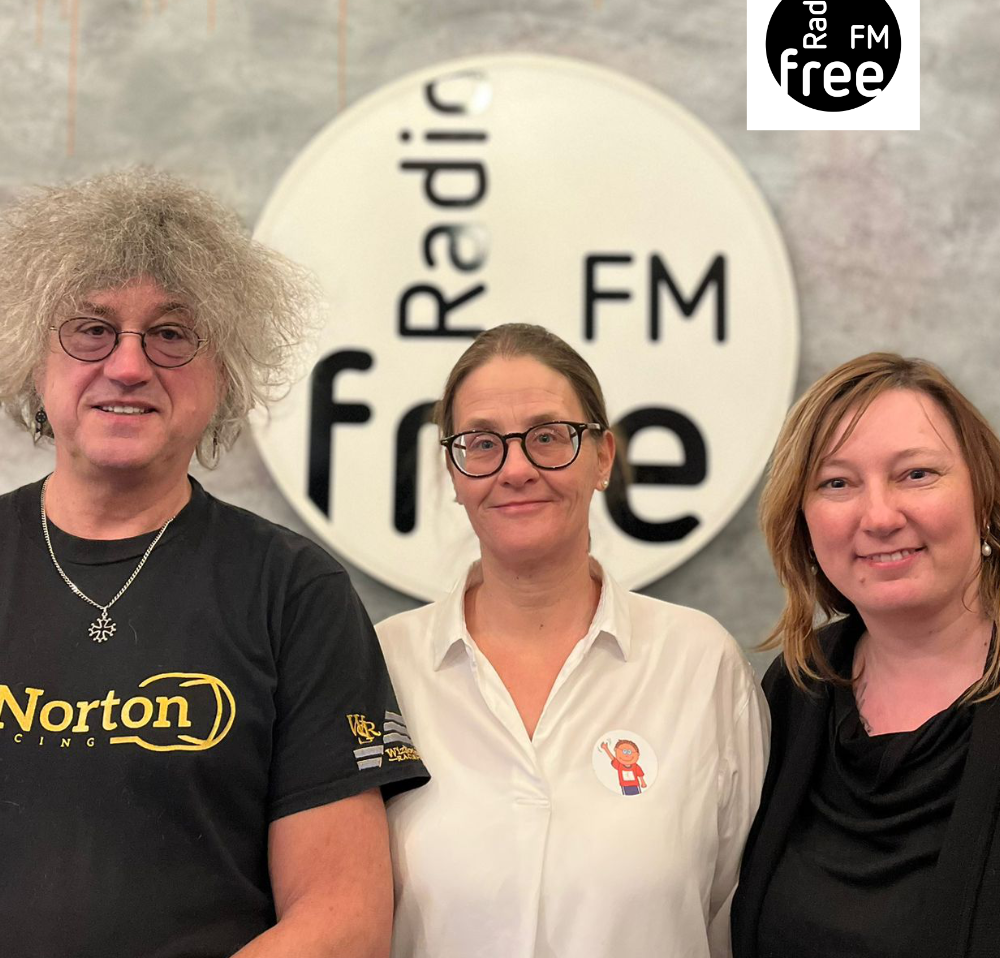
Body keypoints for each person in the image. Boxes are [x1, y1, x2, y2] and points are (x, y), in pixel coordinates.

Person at [0, 168, 428, 958]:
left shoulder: (293, 594)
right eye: (91, 329)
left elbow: (344, 919)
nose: (129, 366)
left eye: (171, 334)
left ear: (224, 373)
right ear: (34, 356)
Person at [376, 323, 769, 958]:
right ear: (454, 471)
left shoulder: (700, 663)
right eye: (482, 444)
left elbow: (738, 917)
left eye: (548, 437)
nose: (516, 469)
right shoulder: (382, 665)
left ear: (603, 457)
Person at [731, 353, 1000, 958]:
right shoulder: (796, 690)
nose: (879, 517)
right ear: (802, 522)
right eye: (837, 483)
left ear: (984, 495)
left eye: (916, 474)